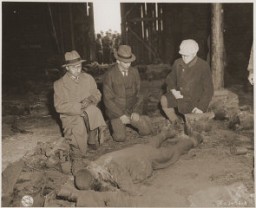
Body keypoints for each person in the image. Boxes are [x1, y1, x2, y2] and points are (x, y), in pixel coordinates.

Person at [57, 124, 203, 206]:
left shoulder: (113, 169)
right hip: (134, 151)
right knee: (149, 146)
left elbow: (132, 192)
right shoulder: (95, 164)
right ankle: (166, 133)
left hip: (143, 158)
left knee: (170, 153)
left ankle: (193, 140)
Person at [54, 50, 106, 156]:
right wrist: (79, 107)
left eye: (79, 66)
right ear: (67, 68)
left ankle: (92, 139)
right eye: (74, 67)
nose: (77, 70)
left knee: (93, 111)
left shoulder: (88, 78)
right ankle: (78, 142)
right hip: (71, 116)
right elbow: (59, 106)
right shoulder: (59, 84)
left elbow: (97, 94)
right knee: (79, 149)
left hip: (88, 111)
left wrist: (91, 99)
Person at [103, 45, 152, 142]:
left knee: (146, 131)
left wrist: (136, 111)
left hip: (131, 110)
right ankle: (114, 124)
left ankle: (143, 119)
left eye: (129, 62)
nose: (128, 65)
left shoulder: (134, 72)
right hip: (117, 112)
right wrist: (120, 115)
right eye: (125, 63)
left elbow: (140, 94)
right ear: (118, 61)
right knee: (120, 138)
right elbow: (108, 100)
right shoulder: (110, 75)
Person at [161, 39, 214, 124]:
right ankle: (176, 122)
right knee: (164, 100)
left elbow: (209, 90)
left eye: (187, 56)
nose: (184, 58)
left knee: (193, 125)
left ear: (195, 53)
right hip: (180, 97)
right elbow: (170, 79)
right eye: (182, 55)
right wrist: (173, 91)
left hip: (194, 101)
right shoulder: (177, 63)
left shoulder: (203, 66)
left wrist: (201, 107)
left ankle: (189, 120)